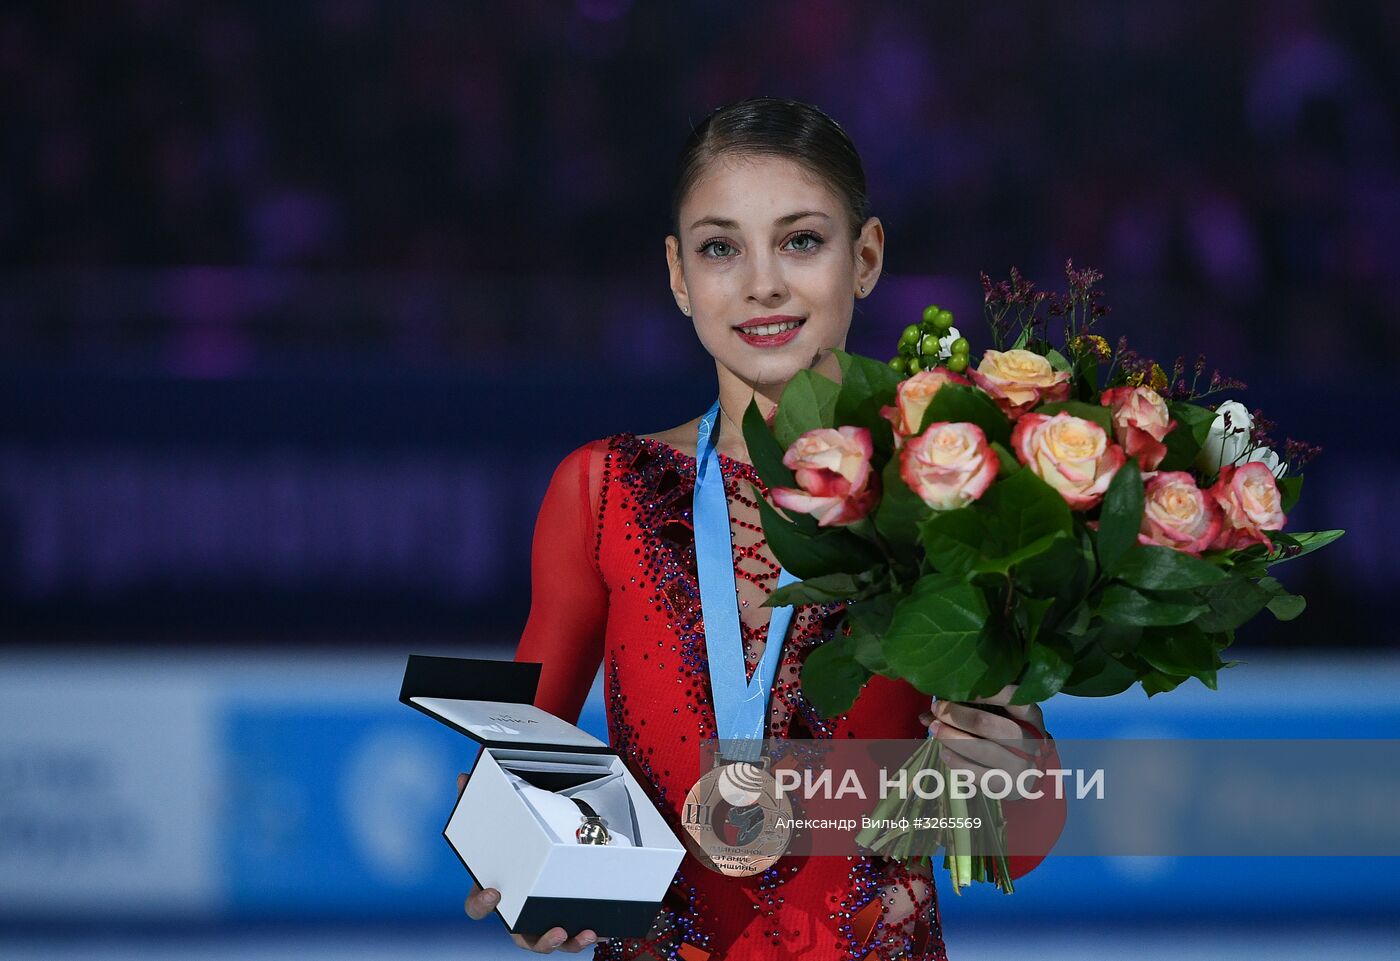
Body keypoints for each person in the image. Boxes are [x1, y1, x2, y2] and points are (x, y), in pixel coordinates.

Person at [460, 96, 1065, 959]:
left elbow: (1018, 840)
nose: (761, 283)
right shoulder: (601, 490)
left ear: (866, 256)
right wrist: (519, 849)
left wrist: (1014, 773)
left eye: (801, 240)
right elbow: (518, 754)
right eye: (719, 247)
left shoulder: (949, 492)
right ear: (677, 274)